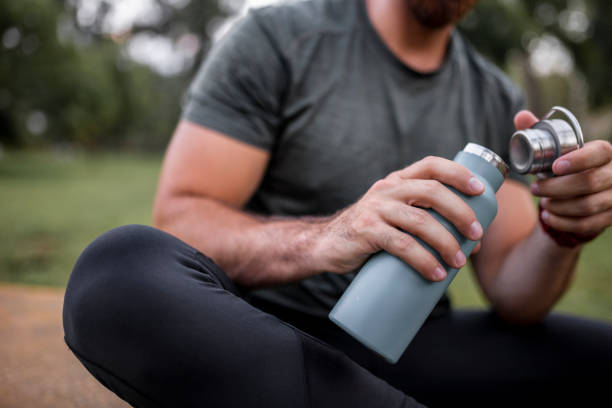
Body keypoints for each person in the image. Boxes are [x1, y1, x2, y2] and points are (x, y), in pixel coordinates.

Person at [63, 0, 612, 406]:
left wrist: (561, 232)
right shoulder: (280, 39)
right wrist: (327, 238)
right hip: (260, 334)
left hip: (409, 350)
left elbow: (517, 296)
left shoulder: (492, 93)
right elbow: (182, 220)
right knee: (116, 269)